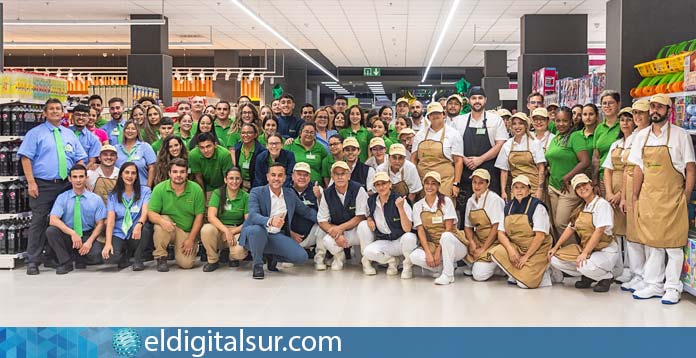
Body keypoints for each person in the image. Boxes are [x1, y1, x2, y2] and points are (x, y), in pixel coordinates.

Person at [628, 93, 695, 304]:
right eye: (653, 107)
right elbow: (638, 168)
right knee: (653, 244)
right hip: (649, 196)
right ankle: (654, 284)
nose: (655, 110)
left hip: (673, 196)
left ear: (669, 110)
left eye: (660, 107)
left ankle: (673, 287)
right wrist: (636, 197)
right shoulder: (642, 136)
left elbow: (690, 169)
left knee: (674, 246)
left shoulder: (680, 135)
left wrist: (685, 196)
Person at [19, 99, 88, 275]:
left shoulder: (69, 134)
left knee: (63, 222)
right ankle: (33, 260)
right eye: (52, 109)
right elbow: (26, 158)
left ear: (63, 112)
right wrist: (31, 182)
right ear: (45, 113)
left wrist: (78, 179)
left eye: (58, 109)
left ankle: (52, 256)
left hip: (65, 184)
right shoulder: (35, 134)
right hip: (43, 184)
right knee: (39, 221)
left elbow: (80, 158)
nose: (56, 111)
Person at [239, 163, 317, 279]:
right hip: (256, 233)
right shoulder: (256, 192)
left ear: (285, 178)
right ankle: (258, 264)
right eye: (273, 175)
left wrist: (326, 222)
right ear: (267, 177)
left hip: (276, 235)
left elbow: (306, 212)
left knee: (301, 257)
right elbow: (253, 215)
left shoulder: (289, 194)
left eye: (280, 175)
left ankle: (272, 255)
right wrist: (270, 220)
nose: (276, 178)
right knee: (257, 230)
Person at [549, 173, 617, 292]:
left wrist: (585, 253)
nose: (582, 188)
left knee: (584, 266)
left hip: (604, 250)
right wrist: (555, 247)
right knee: (553, 259)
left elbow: (599, 231)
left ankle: (606, 277)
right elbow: (570, 228)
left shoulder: (602, 205)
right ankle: (589, 277)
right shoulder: (581, 208)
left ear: (591, 185)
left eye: (584, 184)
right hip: (588, 250)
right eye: (578, 187)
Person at [490, 175, 553, 289]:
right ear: (512, 190)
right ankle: (519, 274)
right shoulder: (508, 207)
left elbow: (540, 237)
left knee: (525, 284)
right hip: (517, 247)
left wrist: (526, 257)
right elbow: (500, 233)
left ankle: (546, 273)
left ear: (529, 190)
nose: (519, 190)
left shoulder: (537, 206)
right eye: (516, 187)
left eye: (523, 187)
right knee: (495, 252)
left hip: (537, 249)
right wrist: (511, 250)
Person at [46, 164, 106, 274]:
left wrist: (89, 242)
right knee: (51, 231)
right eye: (75, 177)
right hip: (68, 235)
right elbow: (53, 219)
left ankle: (79, 257)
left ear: (86, 178)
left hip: (86, 235)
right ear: (69, 179)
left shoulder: (96, 199)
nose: (78, 180)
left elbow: (100, 224)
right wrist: (72, 233)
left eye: (81, 176)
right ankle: (66, 262)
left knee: (97, 256)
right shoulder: (63, 197)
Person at [148, 158, 206, 271]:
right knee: (160, 223)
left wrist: (191, 239)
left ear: (187, 173)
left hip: (186, 231)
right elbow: (151, 213)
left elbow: (199, 217)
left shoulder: (196, 189)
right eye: (175, 172)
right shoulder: (159, 188)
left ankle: (182, 248)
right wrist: (162, 221)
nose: (178, 175)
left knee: (187, 264)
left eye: (182, 172)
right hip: (169, 226)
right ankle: (161, 257)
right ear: (169, 173)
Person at [405, 171, 463, 280]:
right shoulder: (418, 206)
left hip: (453, 243)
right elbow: (420, 231)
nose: (429, 186)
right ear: (423, 185)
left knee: (446, 236)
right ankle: (441, 267)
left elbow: (449, 229)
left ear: (438, 186)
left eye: (433, 183)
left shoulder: (446, 201)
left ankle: (448, 275)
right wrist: (428, 252)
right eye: (427, 183)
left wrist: (438, 251)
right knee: (414, 257)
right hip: (433, 244)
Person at [456, 87, 507, 208]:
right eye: (474, 98)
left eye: (480, 98)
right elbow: (453, 145)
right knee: (466, 210)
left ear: (485, 100)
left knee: (490, 209)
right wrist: (463, 158)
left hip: (489, 171)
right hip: (466, 173)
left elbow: (500, 144)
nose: (477, 101)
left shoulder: (496, 120)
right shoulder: (459, 121)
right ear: (469, 101)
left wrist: (481, 159)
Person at [619, 100, 651, 292]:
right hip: (630, 187)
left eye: (641, 113)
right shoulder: (633, 137)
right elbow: (626, 169)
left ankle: (648, 276)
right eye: (635, 114)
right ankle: (636, 272)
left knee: (644, 233)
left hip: (644, 187)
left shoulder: (649, 135)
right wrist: (624, 195)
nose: (637, 117)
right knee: (632, 233)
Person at [357, 171, 417, 276]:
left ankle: (407, 266)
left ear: (390, 184)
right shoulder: (371, 200)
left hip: (400, 241)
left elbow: (407, 228)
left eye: (384, 183)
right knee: (368, 251)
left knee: (410, 237)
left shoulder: (399, 199)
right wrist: (370, 218)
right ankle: (392, 261)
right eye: (378, 184)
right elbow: (368, 213)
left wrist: (400, 208)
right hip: (385, 240)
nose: (381, 187)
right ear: (375, 187)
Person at [601, 107, 636, 283]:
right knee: (615, 231)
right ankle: (618, 266)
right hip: (612, 192)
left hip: (628, 190)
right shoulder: (616, 144)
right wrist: (609, 192)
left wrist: (621, 194)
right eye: (622, 120)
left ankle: (631, 268)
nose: (625, 123)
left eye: (629, 119)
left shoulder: (637, 142)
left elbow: (632, 171)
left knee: (629, 231)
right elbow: (607, 169)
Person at [545, 107, 590, 236]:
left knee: (561, 223)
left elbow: (585, 161)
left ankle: (573, 252)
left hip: (569, 187)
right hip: (553, 187)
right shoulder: (556, 138)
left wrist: (567, 177)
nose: (561, 124)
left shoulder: (576, 137)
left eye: (565, 121)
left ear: (571, 121)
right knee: (554, 223)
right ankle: (562, 253)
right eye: (558, 121)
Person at [101, 162, 152, 271]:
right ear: (121, 175)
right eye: (127, 172)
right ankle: (125, 256)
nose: (130, 176)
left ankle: (138, 260)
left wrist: (139, 224)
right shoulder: (113, 195)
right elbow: (110, 221)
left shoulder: (145, 191)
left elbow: (145, 213)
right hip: (119, 232)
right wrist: (108, 243)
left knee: (146, 228)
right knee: (109, 259)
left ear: (137, 176)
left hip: (136, 231)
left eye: (133, 173)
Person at [318, 161, 369, 270]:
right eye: (337, 174)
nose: (340, 177)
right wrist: (336, 233)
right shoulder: (327, 193)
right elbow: (322, 221)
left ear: (349, 175)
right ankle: (339, 257)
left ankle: (366, 260)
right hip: (339, 231)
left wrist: (340, 228)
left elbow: (360, 216)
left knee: (364, 226)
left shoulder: (358, 189)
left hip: (356, 230)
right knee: (327, 240)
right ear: (332, 176)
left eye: (343, 173)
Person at [459, 169, 506, 282]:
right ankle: (476, 262)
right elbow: (467, 226)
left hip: (494, 242)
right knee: (457, 236)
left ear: (488, 184)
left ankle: (499, 267)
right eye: (474, 182)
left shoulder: (494, 200)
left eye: (481, 183)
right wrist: (472, 243)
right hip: (478, 239)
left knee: (478, 276)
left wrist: (484, 248)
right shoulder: (470, 201)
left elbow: (496, 227)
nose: (477, 186)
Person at [200, 168, 249, 272]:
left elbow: (248, 222)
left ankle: (231, 255)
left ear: (241, 181)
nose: (234, 181)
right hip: (219, 228)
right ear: (225, 180)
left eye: (237, 179)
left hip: (236, 229)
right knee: (206, 229)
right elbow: (211, 216)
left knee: (239, 253)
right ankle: (212, 260)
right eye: (231, 178)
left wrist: (232, 232)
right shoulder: (218, 193)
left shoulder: (246, 196)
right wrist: (225, 231)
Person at [411, 102, 463, 198]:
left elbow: (458, 161)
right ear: (428, 117)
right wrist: (415, 180)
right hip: (424, 182)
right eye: (432, 114)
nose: (435, 116)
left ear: (443, 114)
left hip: (445, 181)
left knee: (444, 209)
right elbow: (413, 159)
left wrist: (456, 184)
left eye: (438, 113)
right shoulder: (420, 135)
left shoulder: (453, 134)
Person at [494, 112, 546, 201]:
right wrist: (503, 191)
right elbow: (504, 171)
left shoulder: (535, 142)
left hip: (533, 187)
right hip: (516, 188)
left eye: (521, 123)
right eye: (514, 124)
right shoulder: (507, 145)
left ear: (526, 125)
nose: (517, 126)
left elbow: (541, 168)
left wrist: (540, 189)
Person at [285, 162, 327, 270]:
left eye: (305, 175)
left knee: (322, 226)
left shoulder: (317, 189)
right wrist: (290, 232)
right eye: (299, 174)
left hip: (310, 234)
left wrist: (319, 197)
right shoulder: (284, 190)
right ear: (293, 176)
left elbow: (324, 214)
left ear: (310, 177)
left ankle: (319, 259)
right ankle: (288, 256)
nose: (302, 177)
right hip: (290, 235)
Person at [593, 91, 622, 196]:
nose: (607, 106)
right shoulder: (599, 128)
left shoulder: (623, 125)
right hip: (603, 177)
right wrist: (595, 181)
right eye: (604, 103)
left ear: (618, 104)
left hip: (620, 176)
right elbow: (596, 158)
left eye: (611, 103)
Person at [114, 120, 157, 188]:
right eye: (128, 128)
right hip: (121, 189)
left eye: (133, 129)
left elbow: (152, 167)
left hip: (141, 188)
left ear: (138, 132)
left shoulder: (145, 147)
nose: (130, 131)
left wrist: (148, 187)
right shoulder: (116, 148)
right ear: (124, 131)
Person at [232, 123, 266, 191]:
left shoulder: (262, 151)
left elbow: (260, 176)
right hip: (240, 185)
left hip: (256, 186)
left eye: (249, 133)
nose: (246, 135)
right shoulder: (237, 148)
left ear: (255, 135)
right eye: (243, 133)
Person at [69, 104, 101, 168]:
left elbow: (92, 161)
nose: (81, 117)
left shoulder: (93, 139)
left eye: (84, 115)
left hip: (81, 174)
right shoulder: (63, 133)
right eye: (77, 114)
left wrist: (81, 173)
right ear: (72, 117)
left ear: (88, 118)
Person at [581, 103, 600, 182]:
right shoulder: (575, 135)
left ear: (596, 116)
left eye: (591, 114)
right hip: (579, 176)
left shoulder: (600, 134)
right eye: (585, 114)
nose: (588, 117)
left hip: (596, 176)